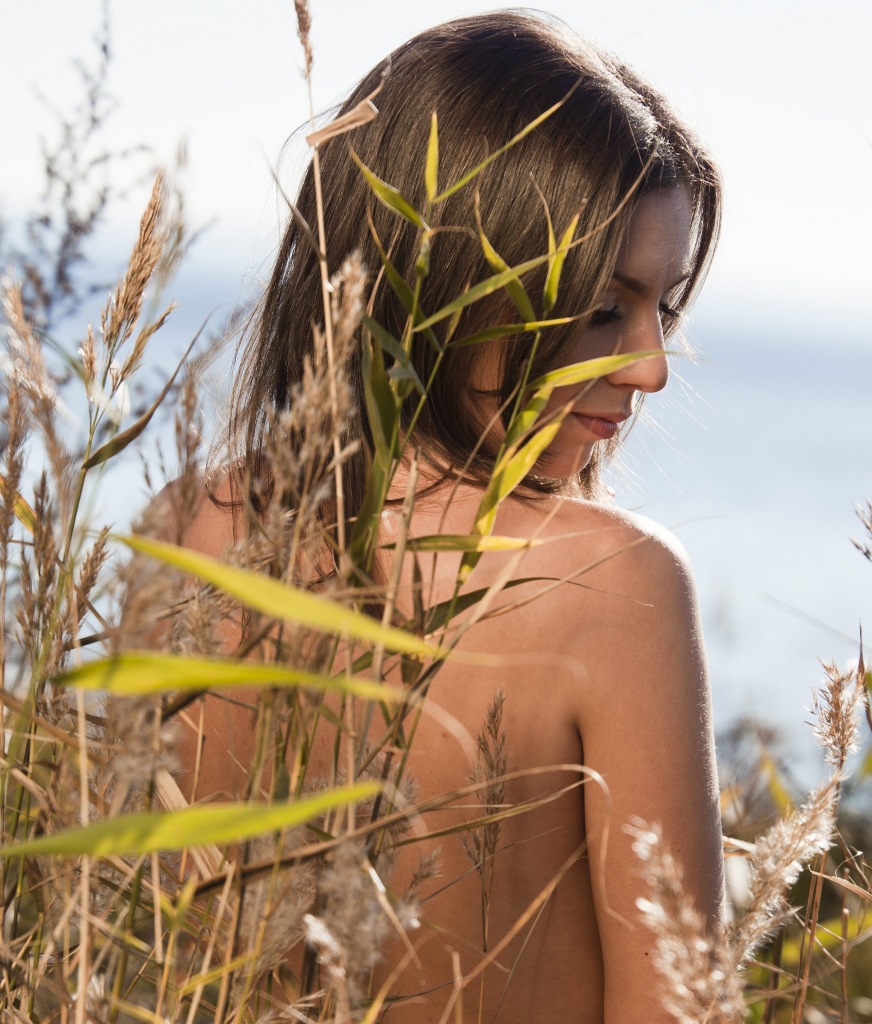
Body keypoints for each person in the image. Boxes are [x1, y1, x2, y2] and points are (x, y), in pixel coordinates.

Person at [176, 11, 725, 1023]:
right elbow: (677, 1007)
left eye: (665, 304)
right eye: (603, 310)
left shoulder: (207, 525)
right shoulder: (613, 582)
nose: (650, 368)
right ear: (456, 283)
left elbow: (177, 960)